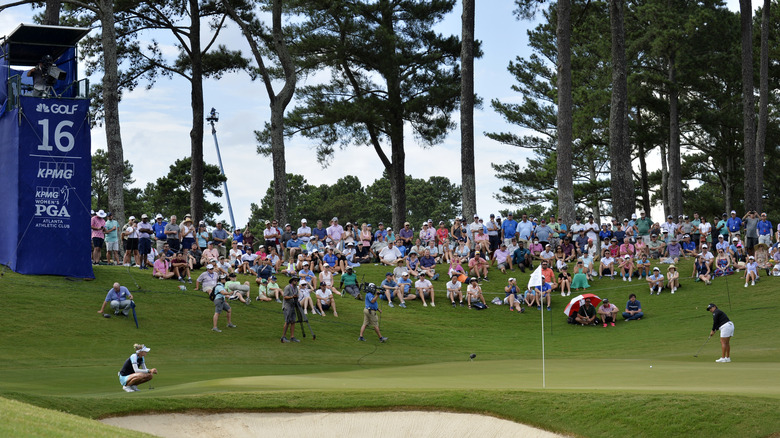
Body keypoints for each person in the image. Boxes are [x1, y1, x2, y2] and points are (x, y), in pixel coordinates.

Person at [281, 276, 301, 342]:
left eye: (297, 281)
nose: (296, 282)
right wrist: (292, 297)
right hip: (287, 306)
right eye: (295, 280)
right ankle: (283, 336)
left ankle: (292, 337)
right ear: (292, 281)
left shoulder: (296, 288)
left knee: (293, 321)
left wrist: (296, 298)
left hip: (293, 306)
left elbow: (296, 296)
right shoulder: (287, 287)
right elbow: (285, 297)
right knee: (287, 321)